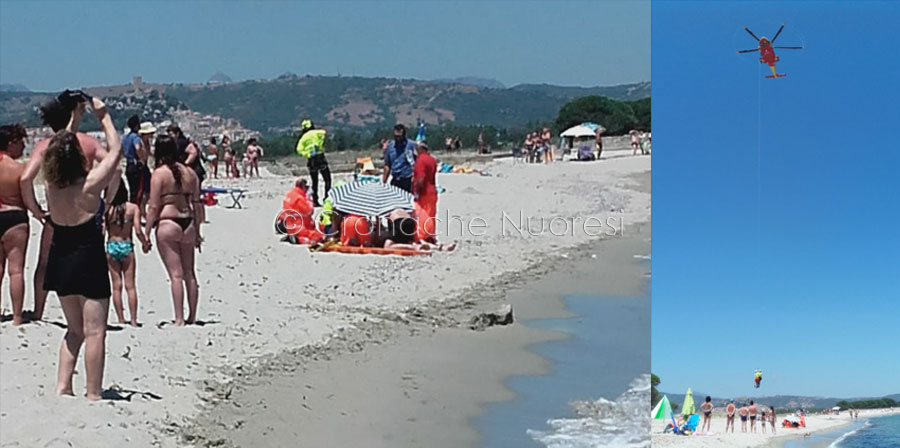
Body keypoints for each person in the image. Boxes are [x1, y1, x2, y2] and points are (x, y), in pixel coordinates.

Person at [42, 97, 121, 401]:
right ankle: (92, 392)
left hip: (61, 257)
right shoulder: (89, 186)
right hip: (88, 257)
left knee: (73, 331)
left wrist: (74, 118)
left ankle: (63, 386)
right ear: (79, 157)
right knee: (95, 331)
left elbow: (59, 147)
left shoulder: (51, 186)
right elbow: (114, 152)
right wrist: (104, 116)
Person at [21, 96, 121, 322]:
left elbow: (26, 178)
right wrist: (107, 200)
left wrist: (36, 211)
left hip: (58, 211)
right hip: (87, 205)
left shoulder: (47, 147)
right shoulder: (88, 143)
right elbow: (115, 169)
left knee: (45, 263)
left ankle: (38, 310)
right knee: (91, 276)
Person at [145, 134, 203, 326]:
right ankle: (192, 316)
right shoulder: (190, 174)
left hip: (168, 222)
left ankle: (179, 318)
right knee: (189, 273)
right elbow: (197, 204)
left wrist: (146, 231)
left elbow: (153, 207)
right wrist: (198, 230)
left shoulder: (159, 174)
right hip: (188, 222)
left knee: (175, 275)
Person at [0, 124, 32, 325]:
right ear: (11, 143)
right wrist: (40, 214)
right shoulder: (20, 169)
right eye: (20, 143)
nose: (23, 147)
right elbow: (28, 199)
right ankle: (18, 317)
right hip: (15, 218)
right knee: (16, 270)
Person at [105, 181, 149, 326]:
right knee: (130, 286)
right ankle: (134, 320)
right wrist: (145, 243)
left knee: (116, 285)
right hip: (126, 245)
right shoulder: (133, 208)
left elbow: (102, 231)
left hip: (111, 245)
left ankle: (120, 318)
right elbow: (137, 230)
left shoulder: (108, 210)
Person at [295, 120, 331, 206]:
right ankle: (327, 198)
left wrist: (307, 153)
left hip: (311, 160)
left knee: (315, 181)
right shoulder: (317, 132)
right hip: (320, 157)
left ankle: (315, 200)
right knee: (327, 179)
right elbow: (324, 133)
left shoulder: (303, 138)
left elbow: (299, 149)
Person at [123, 116, 152, 220]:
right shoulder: (135, 137)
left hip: (129, 165)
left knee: (133, 191)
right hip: (137, 166)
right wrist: (142, 159)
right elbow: (138, 147)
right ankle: (137, 215)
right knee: (140, 192)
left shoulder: (125, 137)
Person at [413, 140, 438, 239]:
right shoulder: (432, 159)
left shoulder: (421, 160)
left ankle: (422, 237)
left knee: (422, 215)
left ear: (420, 149)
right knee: (431, 215)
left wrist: (417, 192)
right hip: (432, 191)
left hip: (424, 192)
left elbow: (421, 178)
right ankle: (430, 235)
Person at [382, 124, 417, 193]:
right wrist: (384, 181)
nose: (398, 138)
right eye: (396, 136)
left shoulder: (411, 145)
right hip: (395, 180)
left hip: (408, 180)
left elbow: (418, 162)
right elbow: (387, 165)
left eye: (399, 136)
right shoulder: (390, 146)